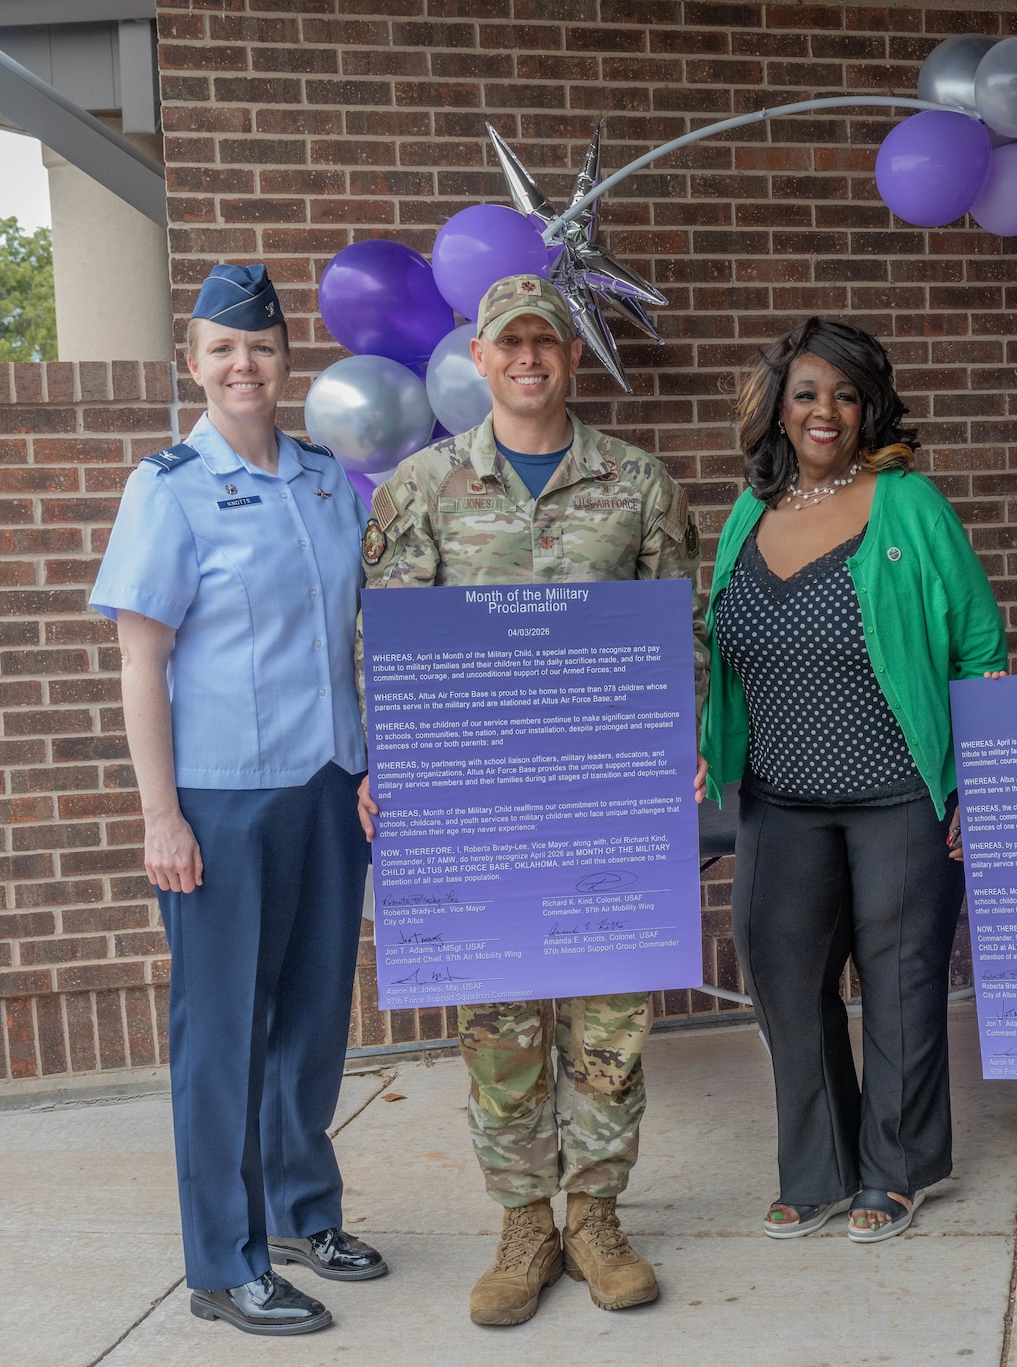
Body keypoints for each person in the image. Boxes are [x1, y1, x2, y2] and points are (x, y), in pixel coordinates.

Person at [357, 274, 706, 1322]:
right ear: (478, 356)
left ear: (569, 354)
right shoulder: (421, 488)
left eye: (544, 342)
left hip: (605, 806)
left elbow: (681, 632)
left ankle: (595, 1215)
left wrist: (675, 741)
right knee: (499, 1019)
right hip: (481, 810)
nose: (527, 358)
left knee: (608, 1016)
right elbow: (387, 643)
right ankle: (523, 1222)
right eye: (507, 342)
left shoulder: (638, 484)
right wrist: (392, 764)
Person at [90, 263, 382, 1336]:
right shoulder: (166, 487)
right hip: (220, 802)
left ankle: (303, 1212)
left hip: (326, 786)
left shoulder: (323, 479)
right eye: (222, 349)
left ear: (286, 359)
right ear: (194, 363)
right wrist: (159, 815)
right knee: (222, 1037)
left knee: (312, 1020)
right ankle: (223, 1261)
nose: (242, 365)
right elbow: (141, 660)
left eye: (259, 346)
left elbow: (359, 635)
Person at [701, 318, 1006, 1245]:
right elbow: (721, 642)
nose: (824, 410)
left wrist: (978, 778)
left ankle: (898, 1168)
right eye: (806, 393)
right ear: (778, 409)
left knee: (901, 980)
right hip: (779, 793)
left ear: (869, 405)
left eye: (844, 393)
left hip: (899, 791)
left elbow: (980, 643)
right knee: (783, 974)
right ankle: (818, 1169)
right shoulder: (752, 509)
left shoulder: (909, 504)